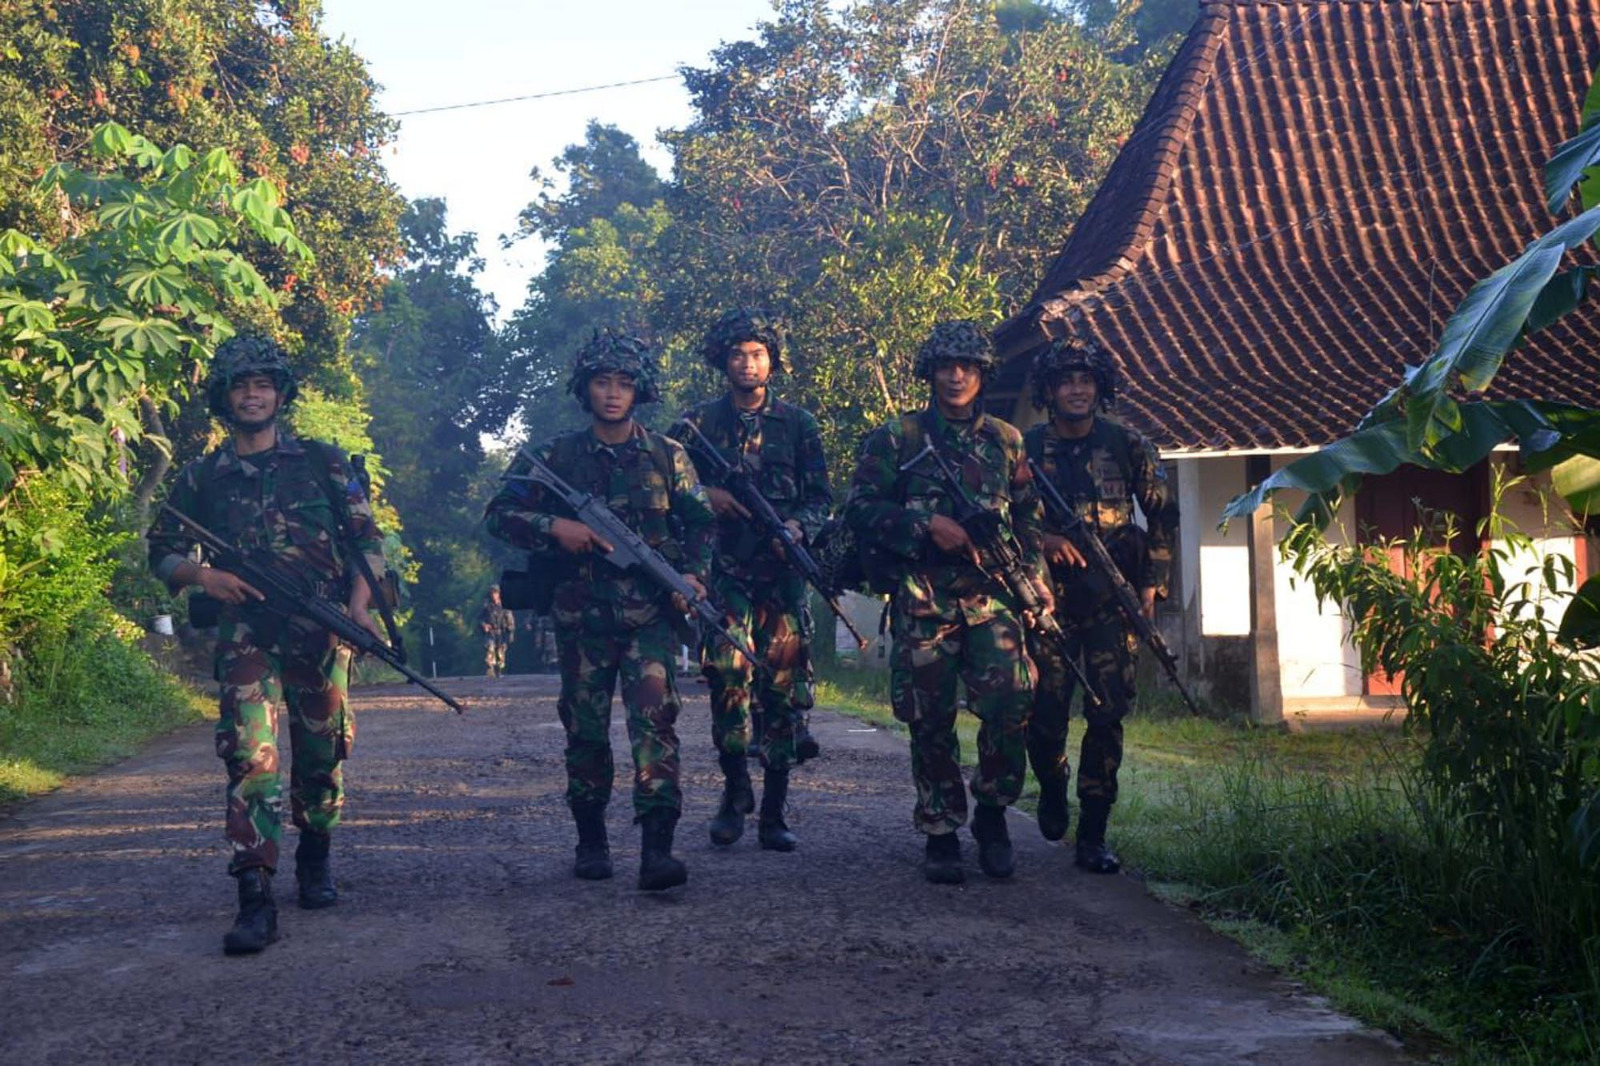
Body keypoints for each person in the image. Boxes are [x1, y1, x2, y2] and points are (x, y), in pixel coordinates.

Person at [147, 334, 389, 954]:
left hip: (320, 628)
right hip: (247, 634)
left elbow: (367, 542)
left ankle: (315, 852)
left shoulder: (323, 462)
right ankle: (254, 894)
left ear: (281, 395)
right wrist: (204, 577)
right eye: (240, 386)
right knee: (250, 755)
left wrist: (359, 608)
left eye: (262, 385)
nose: (252, 396)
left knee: (321, 753)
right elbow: (162, 550)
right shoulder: (202, 477)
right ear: (223, 398)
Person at [484, 330, 715, 891]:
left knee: (655, 725)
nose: (613, 394)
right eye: (602, 382)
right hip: (581, 619)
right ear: (584, 388)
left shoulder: (667, 455)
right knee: (585, 732)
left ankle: (657, 850)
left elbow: (701, 524)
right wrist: (555, 527)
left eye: (624, 384)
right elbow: (500, 514)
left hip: (650, 618)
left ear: (640, 391)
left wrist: (692, 576)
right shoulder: (554, 457)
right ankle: (591, 840)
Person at [843, 321, 1050, 884]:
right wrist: (927, 525)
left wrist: (1036, 579)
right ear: (930, 372)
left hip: (993, 599)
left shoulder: (1007, 440)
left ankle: (992, 812)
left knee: (1011, 703)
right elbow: (859, 508)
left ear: (983, 374)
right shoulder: (898, 438)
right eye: (946, 366)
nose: (956, 376)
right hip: (924, 600)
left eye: (968, 367)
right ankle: (940, 828)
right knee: (928, 718)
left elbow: (1028, 515)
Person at [669, 308, 833, 852]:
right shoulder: (695, 425)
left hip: (781, 577)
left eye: (758, 354)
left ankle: (775, 811)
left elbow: (821, 499)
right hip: (724, 574)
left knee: (782, 689)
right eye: (738, 354)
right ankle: (735, 786)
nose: (748, 363)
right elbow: (665, 492)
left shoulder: (799, 425)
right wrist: (708, 497)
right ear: (723, 361)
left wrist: (797, 528)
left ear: (772, 361)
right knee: (726, 675)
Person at [1023, 337, 1178, 873]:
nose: (1076, 390)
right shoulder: (1025, 449)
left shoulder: (1127, 444)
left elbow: (1163, 514)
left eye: (1085, 380)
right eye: (1066, 381)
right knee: (1045, 712)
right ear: (1049, 390)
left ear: (1100, 387)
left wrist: (1153, 583)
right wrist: (1043, 541)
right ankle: (1051, 781)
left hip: (1112, 600)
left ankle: (1093, 832)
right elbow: (1000, 516)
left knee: (1108, 713)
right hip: (1048, 600)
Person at [478, 584, 515, 678]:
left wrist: (510, 634)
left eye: (495, 593)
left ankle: (498, 670)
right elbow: (480, 619)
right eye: (492, 593)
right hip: (491, 632)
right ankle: (490, 669)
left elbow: (510, 621)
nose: (493, 595)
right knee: (490, 650)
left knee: (500, 654)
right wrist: (484, 625)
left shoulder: (505, 606)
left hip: (501, 633)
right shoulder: (486, 606)